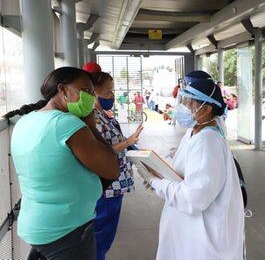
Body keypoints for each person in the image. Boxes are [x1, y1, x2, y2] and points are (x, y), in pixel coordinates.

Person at [6, 67, 119, 260]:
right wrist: (90, 126)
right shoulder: (67, 124)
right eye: (86, 90)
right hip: (67, 230)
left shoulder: (26, 121)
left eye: (92, 92)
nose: (91, 97)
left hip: (37, 224)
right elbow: (111, 168)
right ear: (62, 90)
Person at [137, 78, 244, 260]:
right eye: (182, 100)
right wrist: (161, 173)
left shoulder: (207, 141)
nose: (183, 106)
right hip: (188, 234)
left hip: (202, 241)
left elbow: (194, 198)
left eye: (189, 102)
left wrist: (156, 182)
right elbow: (186, 172)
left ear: (207, 108)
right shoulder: (195, 131)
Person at [89, 71, 143, 259]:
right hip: (108, 187)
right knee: (101, 235)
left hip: (115, 184)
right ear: (93, 92)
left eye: (112, 92)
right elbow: (101, 152)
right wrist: (127, 142)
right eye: (107, 93)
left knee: (105, 234)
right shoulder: (93, 117)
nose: (111, 96)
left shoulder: (103, 114)